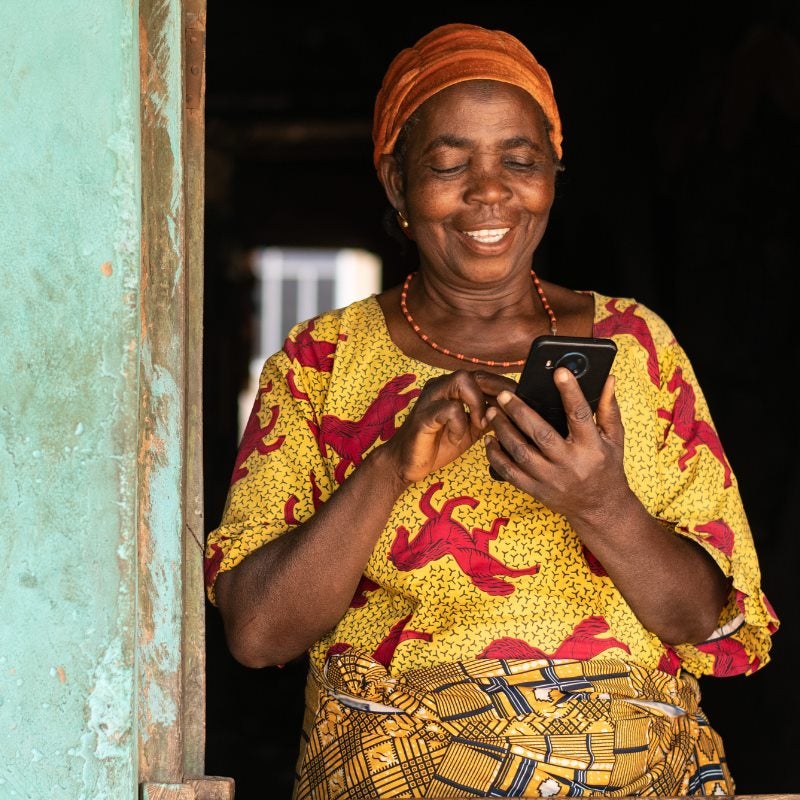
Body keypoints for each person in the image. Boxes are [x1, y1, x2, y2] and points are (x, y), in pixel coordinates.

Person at [204, 22, 779, 799]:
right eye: (448, 163)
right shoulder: (321, 361)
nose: (490, 191)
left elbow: (704, 621)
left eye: (520, 160)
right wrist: (388, 467)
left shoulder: (636, 345)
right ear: (396, 182)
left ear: (552, 175)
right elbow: (257, 632)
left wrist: (602, 504)